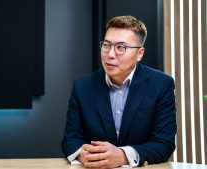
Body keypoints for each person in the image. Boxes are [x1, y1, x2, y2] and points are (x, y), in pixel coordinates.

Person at [61, 15, 176, 168]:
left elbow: (164, 144)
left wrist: (123, 156)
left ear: (139, 53)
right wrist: (84, 155)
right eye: (106, 45)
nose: (110, 54)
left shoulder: (161, 85)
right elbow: (70, 139)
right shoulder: (82, 86)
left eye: (121, 47)